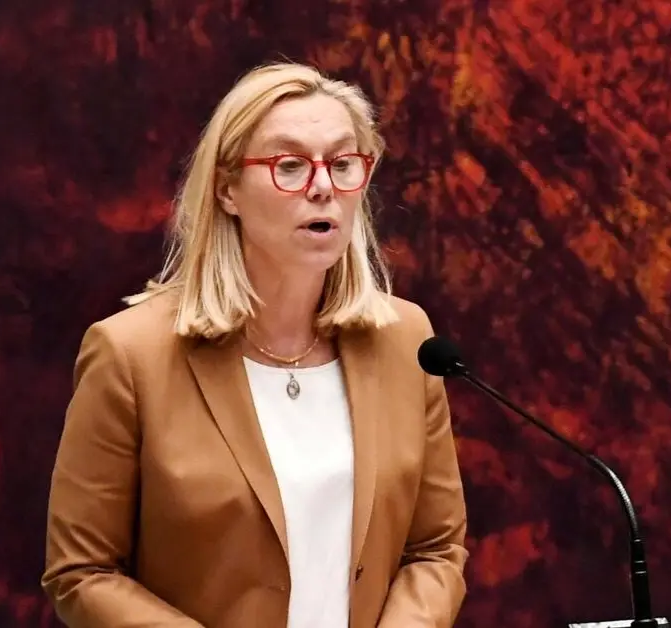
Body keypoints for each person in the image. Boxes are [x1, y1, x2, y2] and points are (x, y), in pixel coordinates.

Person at [41, 62, 468, 628]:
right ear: (227, 190)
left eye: (343, 163)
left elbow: (436, 549)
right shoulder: (129, 354)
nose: (323, 187)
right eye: (290, 166)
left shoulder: (407, 340)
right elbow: (82, 571)